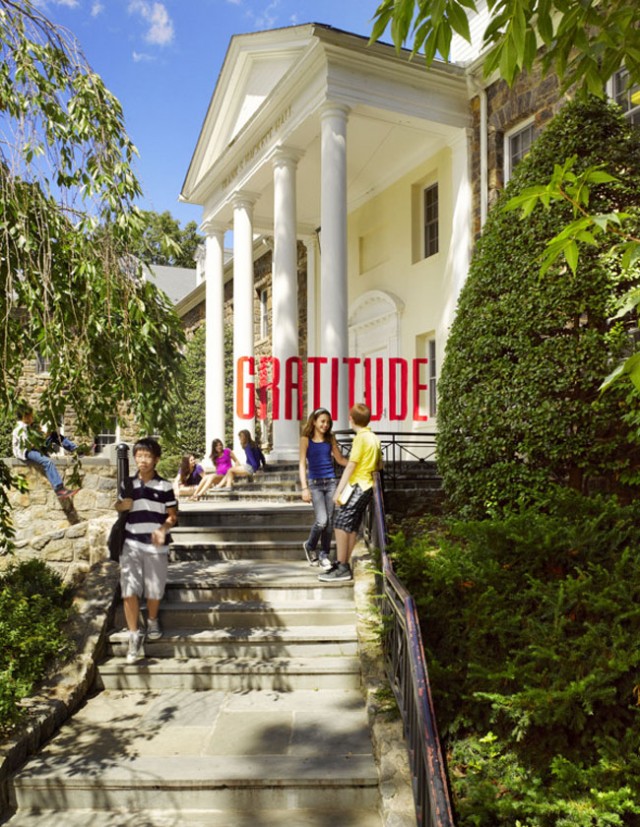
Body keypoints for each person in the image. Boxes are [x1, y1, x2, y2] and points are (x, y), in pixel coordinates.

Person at [115, 437, 178, 664]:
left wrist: (163, 529)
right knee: (129, 590)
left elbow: (173, 516)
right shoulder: (128, 484)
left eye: (147, 456)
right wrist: (122, 505)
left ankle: (152, 620)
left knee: (154, 591)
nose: (142, 460)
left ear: (156, 459)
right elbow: (119, 506)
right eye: (139, 456)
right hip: (131, 542)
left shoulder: (165, 486)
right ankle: (134, 636)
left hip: (156, 546)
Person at [318, 402, 382, 583]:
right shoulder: (374, 438)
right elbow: (379, 464)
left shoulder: (360, 439)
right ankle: (343, 565)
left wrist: (338, 491)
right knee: (351, 526)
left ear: (351, 419)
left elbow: (351, 466)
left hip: (358, 485)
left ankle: (342, 566)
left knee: (340, 523)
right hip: (366, 485)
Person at [299, 407, 348, 569]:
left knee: (329, 522)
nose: (325, 425)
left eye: (328, 422)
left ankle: (324, 555)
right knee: (322, 521)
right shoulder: (305, 439)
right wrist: (304, 488)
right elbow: (302, 464)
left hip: (331, 482)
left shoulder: (330, 438)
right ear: (314, 422)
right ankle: (310, 545)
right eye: (322, 421)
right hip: (315, 484)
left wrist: (357, 464)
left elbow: (340, 459)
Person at [12, 403, 80, 499]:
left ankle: (75, 449)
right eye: (31, 415)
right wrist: (43, 437)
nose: (32, 417)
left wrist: (45, 435)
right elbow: (29, 445)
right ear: (25, 416)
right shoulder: (20, 429)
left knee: (54, 435)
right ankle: (59, 489)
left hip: (32, 447)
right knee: (47, 462)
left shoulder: (29, 426)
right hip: (26, 451)